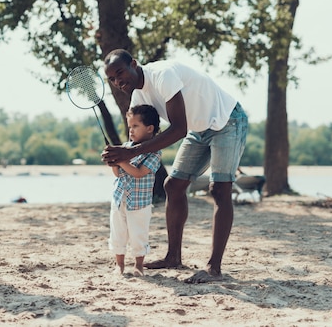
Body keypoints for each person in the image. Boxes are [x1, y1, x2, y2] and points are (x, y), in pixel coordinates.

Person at [101, 49, 247, 284]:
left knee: (220, 189)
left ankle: (214, 268)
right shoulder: (138, 98)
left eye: (120, 73)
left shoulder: (162, 75)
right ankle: (173, 257)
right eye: (112, 79)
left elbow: (178, 129)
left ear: (134, 65)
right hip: (198, 129)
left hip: (226, 121)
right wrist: (119, 155)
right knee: (174, 186)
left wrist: (130, 152)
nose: (118, 81)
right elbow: (142, 140)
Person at [109, 104, 162, 277]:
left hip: (140, 203)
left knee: (138, 234)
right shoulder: (125, 147)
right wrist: (113, 162)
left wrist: (122, 159)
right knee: (118, 232)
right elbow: (118, 173)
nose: (130, 130)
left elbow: (139, 173)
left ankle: (139, 265)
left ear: (149, 128)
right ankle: (120, 265)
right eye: (129, 126)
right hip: (120, 198)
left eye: (135, 126)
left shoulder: (154, 153)